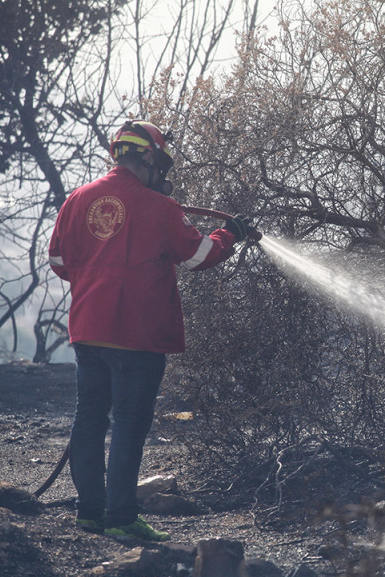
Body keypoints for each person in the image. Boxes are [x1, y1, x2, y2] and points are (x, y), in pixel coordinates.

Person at [48, 120, 254, 541]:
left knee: (88, 419)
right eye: (159, 162)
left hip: (87, 328)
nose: (162, 172)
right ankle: (121, 518)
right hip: (136, 335)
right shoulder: (159, 208)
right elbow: (198, 256)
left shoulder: (77, 200)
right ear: (147, 157)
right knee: (128, 422)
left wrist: (95, 279)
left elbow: (57, 261)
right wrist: (229, 234)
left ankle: (90, 513)